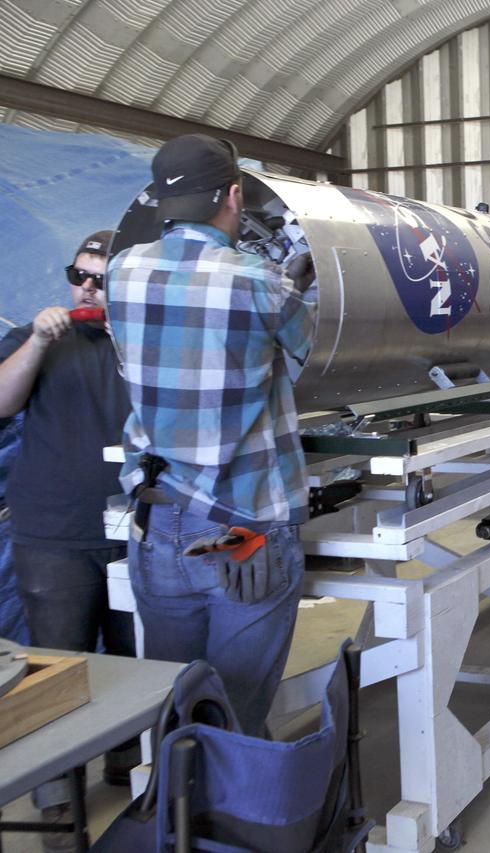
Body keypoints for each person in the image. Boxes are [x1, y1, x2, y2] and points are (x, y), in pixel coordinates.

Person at [107, 134, 316, 736]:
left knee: (176, 703)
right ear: (232, 195)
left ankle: (179, 794)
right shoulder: (259, 281)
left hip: (157, 522)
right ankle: (235, 791)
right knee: (235, 713)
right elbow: (315, 354)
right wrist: (295, 284)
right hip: (241, 524)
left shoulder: (123, 271)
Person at [0, 230, 137, 848]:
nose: (86, 288)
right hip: (54, 533)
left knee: (134, 659)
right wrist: (37, 340)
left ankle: (129, 764)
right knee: (58, 666)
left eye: (100, 280)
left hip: (134, 526)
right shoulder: (38, 341)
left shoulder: (144, 341)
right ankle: (57, 803)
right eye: (77, 275)